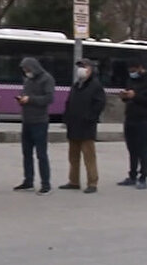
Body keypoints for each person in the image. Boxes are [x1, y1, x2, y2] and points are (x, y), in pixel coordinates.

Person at [59, 58, 106, 194]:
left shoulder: (95, 85)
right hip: (73, 126)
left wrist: (90, 117)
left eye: (84, 66)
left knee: (89, 157)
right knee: (73, 156)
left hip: (86, 127)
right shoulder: (76, 85)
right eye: (80, 66)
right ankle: (73, 181)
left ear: (91, 69)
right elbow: (69, 102)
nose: (81, 69)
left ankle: (92, 182)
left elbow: (99, 104)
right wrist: (66, 117)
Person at [14, 57, 55, 195]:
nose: (26, 72)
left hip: (40, 121)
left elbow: (49, 98)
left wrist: (30, 99)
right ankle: (28, 181)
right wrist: (22, 99)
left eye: (27, 69)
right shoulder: (28, 80)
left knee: (41, 154)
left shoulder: (46, 79)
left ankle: (45, 184)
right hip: (27, 120)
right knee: (26, 153)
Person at [117, 57, 147, 189]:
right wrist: (124, 96)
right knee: (132, 149)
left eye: (134, 70)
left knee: (143, 150)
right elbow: (129, 96)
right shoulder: (131, 80)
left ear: (141, 68)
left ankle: (143, 176)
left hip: (143, 120)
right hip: (130, 118)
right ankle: (132, 175)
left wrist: (135, 96)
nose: (132, 72)